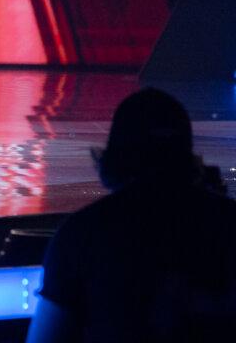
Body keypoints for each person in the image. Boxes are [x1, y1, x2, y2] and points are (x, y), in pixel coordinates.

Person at [26, 87, 236, 343]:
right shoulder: (227, 222)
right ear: (189, 159)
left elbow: (47, 336)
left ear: (113, 158)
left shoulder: (82, 233)